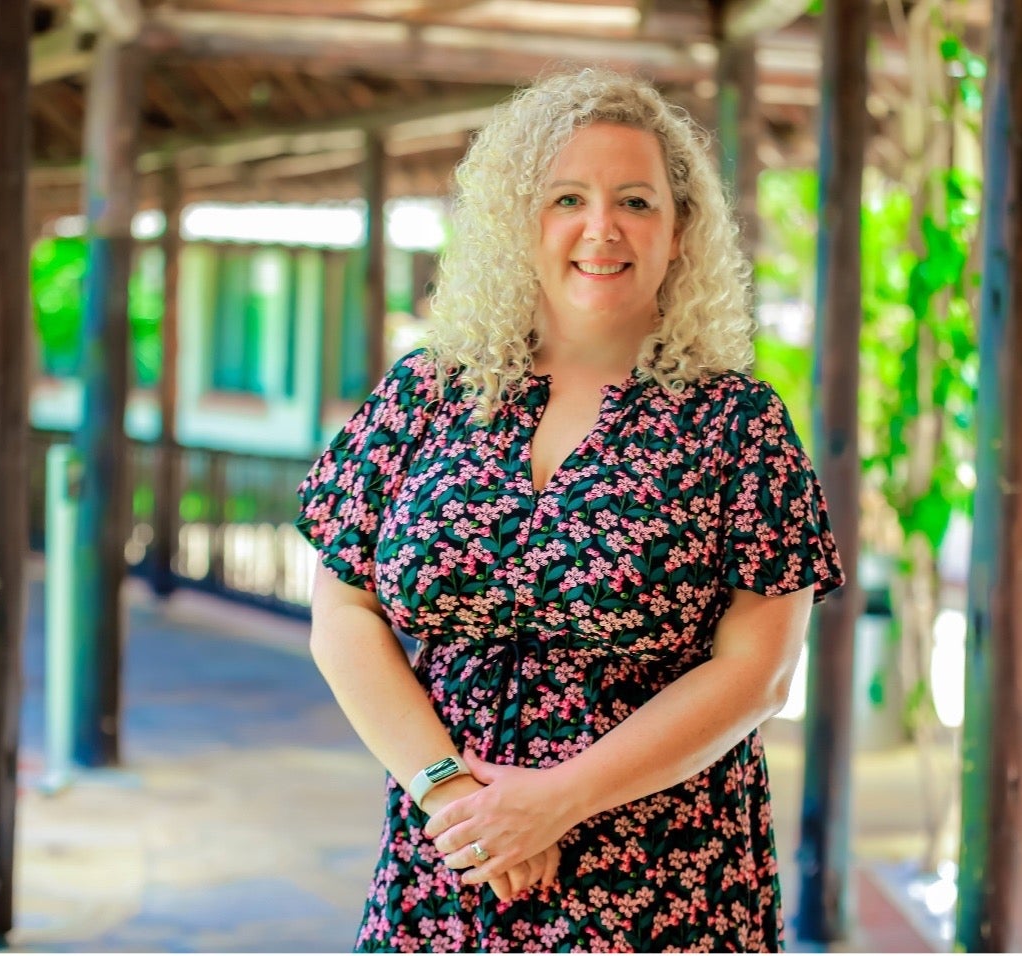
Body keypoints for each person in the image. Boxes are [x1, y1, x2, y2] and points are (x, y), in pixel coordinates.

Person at [295, 66, 845, 953]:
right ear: (520, 224)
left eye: (636, 200)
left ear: (680, 235)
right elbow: (341, 612)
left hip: (665, 877)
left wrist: (554, 801)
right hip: (452, 859)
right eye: (566, 199)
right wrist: (453, 795)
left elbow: (759, 674)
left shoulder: (741, 426)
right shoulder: (426, 395)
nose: (602, 228)